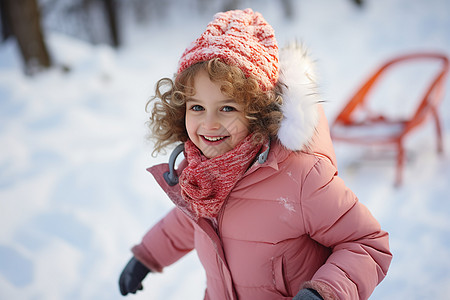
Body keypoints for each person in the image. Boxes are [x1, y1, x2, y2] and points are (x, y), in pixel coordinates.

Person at [118, 8, 392, 300]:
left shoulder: (300, 177)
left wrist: (325, 293)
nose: (209, 123)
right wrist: (147, 255)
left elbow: (366, 243)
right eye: (197, 107)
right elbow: (188, 220)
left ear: (257, 111)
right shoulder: (200, 173)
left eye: (227, 108)